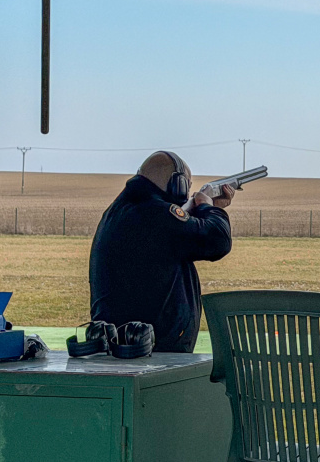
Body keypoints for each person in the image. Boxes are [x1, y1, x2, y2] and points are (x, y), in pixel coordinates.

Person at [89, 151, 236, 352]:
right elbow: (218, 240)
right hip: (153, 352)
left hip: (127, 346)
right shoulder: (155, 213)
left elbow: (170, 238)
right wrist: (209, 208)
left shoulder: (120, 210)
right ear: (178, 184)